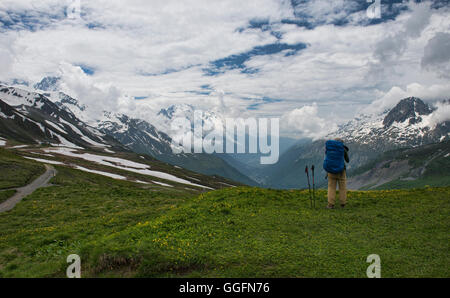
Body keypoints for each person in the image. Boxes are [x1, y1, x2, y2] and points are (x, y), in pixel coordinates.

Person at [323, 138, 349, 209]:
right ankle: (343, 204)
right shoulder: (343, 149)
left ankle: (330, 205)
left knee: (331, 187)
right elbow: (347, 160)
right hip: (341, 171)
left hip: (331, 171)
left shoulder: (330, 148)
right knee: (342, 188)